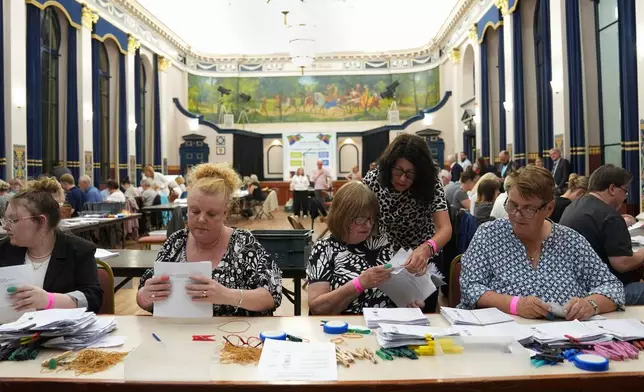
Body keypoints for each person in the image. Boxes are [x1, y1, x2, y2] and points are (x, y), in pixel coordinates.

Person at [459, 166, 624, 320]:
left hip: (563, 338)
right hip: (503, 337)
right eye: (512, 205)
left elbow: (611, 286)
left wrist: (590, 304)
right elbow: (470, 287)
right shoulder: (489, 235)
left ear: (549, 208)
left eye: (529, 209)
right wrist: (515, 304)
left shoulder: (570, 241)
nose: (517, 214)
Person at [136, 163, 282, 316]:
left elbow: (272, 295)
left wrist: (226, 295)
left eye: (211, 214)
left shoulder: (244, 244)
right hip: (180, 335)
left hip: (234, 336)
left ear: (225, 213)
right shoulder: (176, 242)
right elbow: (142, 299)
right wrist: (146, 295)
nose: (201, 219)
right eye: (194, 211)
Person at [308, 182, 433, 314]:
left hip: (388, 326)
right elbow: (317, 309)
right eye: (361, 219)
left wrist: (411, 302)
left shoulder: (384, 243)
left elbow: (402, 293)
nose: (368, 225)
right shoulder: (324, 248)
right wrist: (359, 284)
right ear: (342, 216)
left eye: (371, 219)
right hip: (346, 329)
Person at [0, 179, 103, 312]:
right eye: (4, 219)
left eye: (12, 220)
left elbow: (93, 299)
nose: (5, 226)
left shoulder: (79, 250)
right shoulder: (3, 250)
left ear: (41, 221)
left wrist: (49, 300)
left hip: (62, 331)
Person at [363, 133, 452, 281]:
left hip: (423, 258)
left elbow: (445, 228)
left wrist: (427, 248)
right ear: (389, 165)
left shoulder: (430, 183)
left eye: (410, 173)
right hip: (384, 258)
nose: (403, 178)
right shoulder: (374, 180)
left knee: (423, 303)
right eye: (398, 170)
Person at [560, 164, 644, 305]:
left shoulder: (572, 206)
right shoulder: (610, 216)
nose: (625, 197)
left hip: (574, 286)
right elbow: (622, 264)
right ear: (612, 189)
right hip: (605, 291)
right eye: (625, 191)